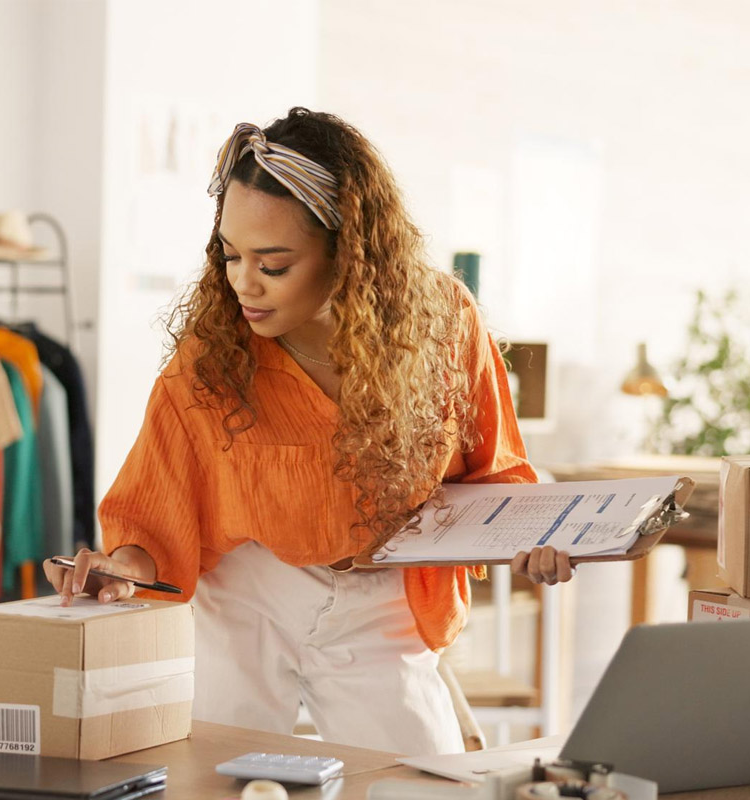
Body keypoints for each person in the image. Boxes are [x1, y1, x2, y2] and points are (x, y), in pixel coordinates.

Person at [43, 107, 574, 755]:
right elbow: (155, 515)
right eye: (230, 255)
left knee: (421, 782)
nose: (243, 282)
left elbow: (495, 473)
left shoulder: (443, 324)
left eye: (273, 264)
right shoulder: (212, 354)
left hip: (382, 595)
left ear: (349, 250)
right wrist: (116, 569)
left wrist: (536, 537)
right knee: (218, 781)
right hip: (247, 596)